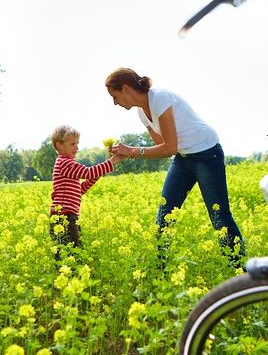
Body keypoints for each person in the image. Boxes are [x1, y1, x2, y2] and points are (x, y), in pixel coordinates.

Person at [105, 67, 245, 267]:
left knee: (219, 216)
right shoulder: (141, 114)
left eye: (115, 96)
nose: (115, 103)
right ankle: (159, 270)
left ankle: (240, 269)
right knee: (165, 215)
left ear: (126, 88)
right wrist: (126, 153)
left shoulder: (161, 98)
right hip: (183, 158)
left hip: (206, 153)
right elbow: (162, 147)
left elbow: (169, 147)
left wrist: (133, 151)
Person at [50, 125, 122, 260]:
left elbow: (80, 189)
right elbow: (88, 172)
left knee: (73, 250)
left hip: (68, 216)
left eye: (77, 144)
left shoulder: (67, 164)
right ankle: (68, 277)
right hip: (63, 216)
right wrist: (112, 161)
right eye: (72, 144)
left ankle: (72, 276)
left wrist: (101, 171)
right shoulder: (65, 164)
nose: (76, 147)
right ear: (59, 146)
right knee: (69, 252)